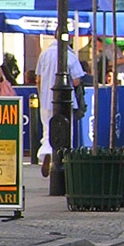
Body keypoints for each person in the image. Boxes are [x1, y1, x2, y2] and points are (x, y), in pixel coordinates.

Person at [35, 36, 86, 177]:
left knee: (47, 129)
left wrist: (41, 94)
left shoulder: (44, 54)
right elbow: (76, 81)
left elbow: (38, 79)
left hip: (46, 99)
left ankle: (46, 153)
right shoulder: (70, 56)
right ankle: (60, 161)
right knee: (64, 131)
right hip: (65, 99)